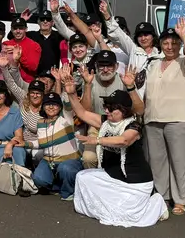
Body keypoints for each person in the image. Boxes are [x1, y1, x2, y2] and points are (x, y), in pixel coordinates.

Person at [65, 82, 168, 227]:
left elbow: (124, 140)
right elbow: (82, 113)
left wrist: (97, 140)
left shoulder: (134, 126)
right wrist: (71, 93)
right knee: (83, 177)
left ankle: (156, 204)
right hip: (113, 177)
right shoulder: (106, 122)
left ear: (124, 111)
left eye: (112, 108)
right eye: (106, 106)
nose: (107, 110)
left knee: (122, 215)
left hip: (135, 182)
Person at [144, 19, 185, 216]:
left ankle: (180, 199)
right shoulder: (154, 64)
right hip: (153, 118)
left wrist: (184, 35)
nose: (170, 47)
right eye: (166, 43)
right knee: (157, 161)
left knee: (179, 161)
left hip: (179, 119)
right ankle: (161, 195)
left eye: (174, 43)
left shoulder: (184, 61)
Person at [27, 66, 83, 199]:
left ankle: (68, 191)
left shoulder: (66, 118)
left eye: (55, 104)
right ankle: (58, 184)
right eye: (48, 104)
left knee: (66, 169)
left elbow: (68, 105)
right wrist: (25, 144)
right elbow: (41, 143)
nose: (51, 107)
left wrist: (70, 92)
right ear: (43, 107)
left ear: (59, 107)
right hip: (49, 161)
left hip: (69, 161)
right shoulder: (41, 122)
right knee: (39, 179)